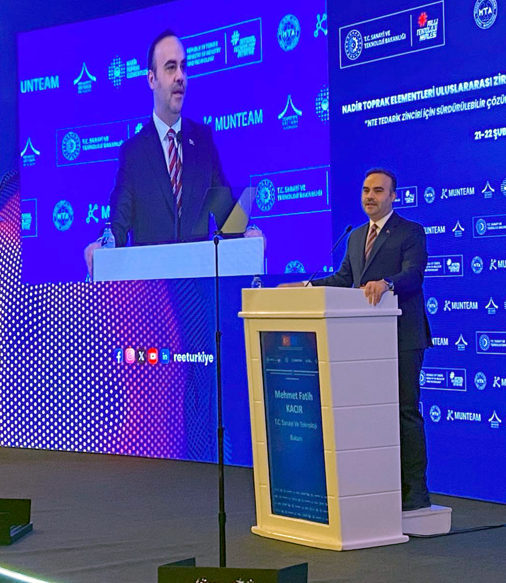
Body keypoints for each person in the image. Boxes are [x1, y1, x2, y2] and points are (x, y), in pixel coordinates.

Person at [281, 168, 432, 511]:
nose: (370, 196)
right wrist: (305, 287)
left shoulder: (410, 231)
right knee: (372, 416)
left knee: (405, 413)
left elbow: (413, 276)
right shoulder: (356, 236)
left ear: (393, 196)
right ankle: (381, 489)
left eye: (378, 190)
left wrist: (386, 283)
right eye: (366, 190)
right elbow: (344, 279)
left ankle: (415, 493)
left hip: (402, 337)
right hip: (365, 342)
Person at [84, 29, 259, 274]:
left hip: (199, 287)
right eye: (170, 68)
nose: (180, 77)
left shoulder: (203, 142)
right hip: (152, 290)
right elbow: (119, 222)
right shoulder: (133, 153)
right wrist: (103, 245)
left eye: (183, 67)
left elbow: (227, 216)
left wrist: (248, 234)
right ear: (151, 79)